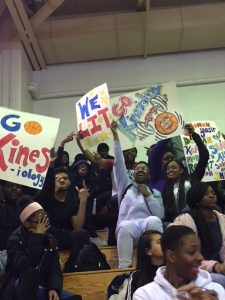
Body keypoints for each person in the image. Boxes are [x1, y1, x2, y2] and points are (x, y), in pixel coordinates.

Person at [1, 195, 79, 300]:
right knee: (31, 273)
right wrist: (37, 237)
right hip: (19, 288)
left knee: (74, 298)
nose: (44, 224)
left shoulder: (50, 239)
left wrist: (53, 288)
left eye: (45, 219)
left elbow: (54, 269)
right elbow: (25, 265)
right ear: (27, 223)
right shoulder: (14, 240)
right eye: (39, 221)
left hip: (42, 285)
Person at [111, 120, 164, 269]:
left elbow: (160, 215)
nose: (140, 170)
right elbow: (119, 162)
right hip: (129, 229)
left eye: (144, 169)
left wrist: (148, 195)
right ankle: (124, 270)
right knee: (126, 226)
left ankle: (159, 265)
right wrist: (115, 137)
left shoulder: (154, 192)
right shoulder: (125, 186)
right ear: (133, 173)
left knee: (154, 220)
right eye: (138, 168)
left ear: (149, 175)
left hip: (147, 228)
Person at [133, 225, 225, 300]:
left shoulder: (215, 290)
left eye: (200, 251)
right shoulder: (145, 295)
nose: (200, 257)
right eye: (192, 252)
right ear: (171, 256)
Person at [35, 165, 90, 273]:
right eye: (57, 178)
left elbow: (77, 227)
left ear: (69, 183)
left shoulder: (72, 202)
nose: (61, 180)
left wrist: (83, 201)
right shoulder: (45, 198)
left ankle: (70, 267)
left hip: (63, 237)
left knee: (82, 234)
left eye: (65, 178)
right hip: (46, 236)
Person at [172, 182, 225, 287]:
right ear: (196, 198)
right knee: (220, 280)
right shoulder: (184, 220)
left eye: (213, 193)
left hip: (220, 267)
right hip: (194, 270)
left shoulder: (222, 219)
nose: (212, 196)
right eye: (206, 194)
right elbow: (183, 257)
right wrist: (214, 266)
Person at [162, 123, 209, 222]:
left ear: (181, 170)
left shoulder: (193, 178)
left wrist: (194, 135)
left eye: (174, 167)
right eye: (168, 168)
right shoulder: (166, 187)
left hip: (196, 218)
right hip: (175, 221)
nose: (170, 170)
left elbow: (204, 155)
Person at [126, 230, 164, 300]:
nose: (165, 244)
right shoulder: (136, 277)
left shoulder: (172, 271)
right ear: (148, 251)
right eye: (160, 242)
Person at [0, 181, 23, 250]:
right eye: (9, 186)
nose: (14, 188)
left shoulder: (25, 209)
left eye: (18, 186)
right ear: (3, 188)